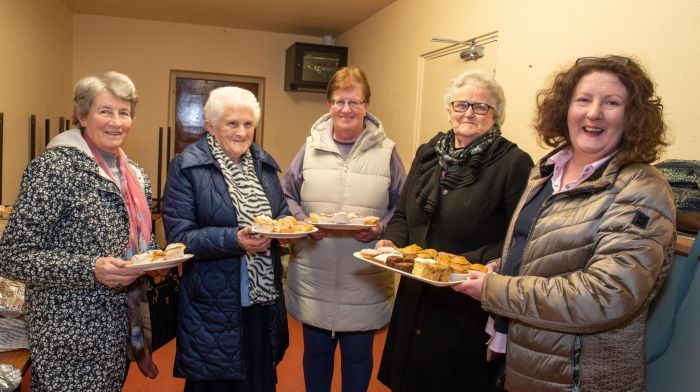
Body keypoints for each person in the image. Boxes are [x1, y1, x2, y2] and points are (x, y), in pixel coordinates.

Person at [452, 55, 676, 392]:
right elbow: (541, 252)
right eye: (583, 99)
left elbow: (608, 295)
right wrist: (500, 268)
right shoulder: (545, 173)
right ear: (564, 108)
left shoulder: (643, 188)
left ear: (632, 115)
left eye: (611, 102)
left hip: (580, 378)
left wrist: (495, 290)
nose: (593, 112)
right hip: (525, 364)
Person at [0, 71, 160, 390]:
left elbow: (139, 240)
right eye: (105, 111)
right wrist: (91, 269)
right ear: (82, 116)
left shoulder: (136, 174)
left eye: (124, 112)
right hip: (67, 330)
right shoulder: (53, 168)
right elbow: (13, 256)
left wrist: (154, 259)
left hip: (119, 326)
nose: (116, 121)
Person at [376, 71, 533, 392]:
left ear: (496, 115)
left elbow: (517, 238)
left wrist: (462, 263)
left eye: (480, 107)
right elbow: (405, 213)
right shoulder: (429, 153)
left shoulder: (513, 163)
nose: (469, 113)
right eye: (461, 105)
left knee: (453, 381)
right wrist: (391, 242)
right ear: (449, 110)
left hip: (465, 298)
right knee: (409, 378)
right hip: (416, 292)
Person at [282, 66, 406, 392]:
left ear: (367, 105)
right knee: (316, 354)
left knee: (358, 355)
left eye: (354, 102)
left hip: (363, 275)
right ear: (328, 104)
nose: (346, 109)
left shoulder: (388, 153)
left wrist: (380, 227)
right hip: (314, 272)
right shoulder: (309, 149)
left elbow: (404, 208)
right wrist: (305, 223)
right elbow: (286, 195)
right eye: (339, 101)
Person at [161, 86, 289, 392]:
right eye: (232, 123)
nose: (242, 132)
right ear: (210, 126)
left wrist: (287, 229)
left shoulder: (264, 165)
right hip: (213, 304)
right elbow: (180, 238)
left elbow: (282, 213)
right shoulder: (187, 166)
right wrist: (235, 240)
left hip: (262, 300)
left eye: (248, 124)